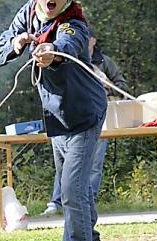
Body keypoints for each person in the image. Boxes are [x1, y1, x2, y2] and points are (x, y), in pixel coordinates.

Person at [0, 0, 107, 241]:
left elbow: (68, 44)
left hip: (85, 116)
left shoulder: (74, 23)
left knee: (71, 191)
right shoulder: (27, 14)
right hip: (56, 118)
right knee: (77, 191)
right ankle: (91, 240)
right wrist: (16, 44)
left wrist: (51, 51)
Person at [42, 30, 128, 216]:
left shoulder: (104, 62)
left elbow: (122, 87)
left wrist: (104, 90)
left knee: (93, 166)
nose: (78, 42)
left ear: (93, 41)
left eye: (83, 39)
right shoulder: (66, 58)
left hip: (97, 119)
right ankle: (56, 202)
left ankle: (87, 205)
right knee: (64, 166)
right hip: (66, 119)